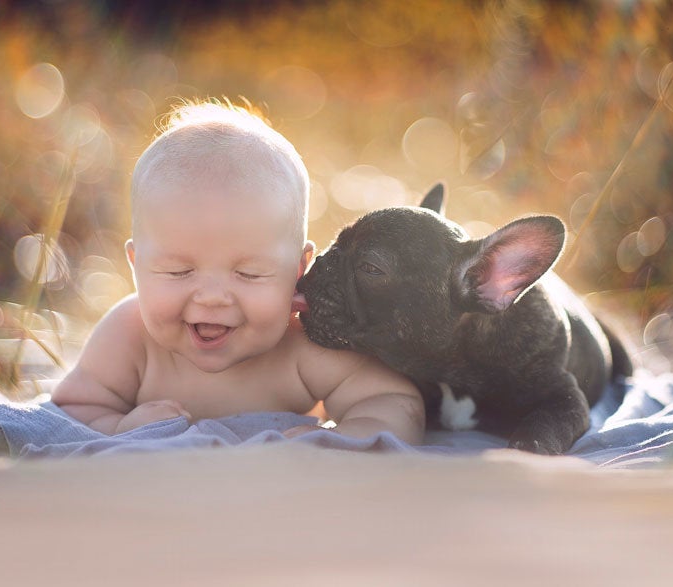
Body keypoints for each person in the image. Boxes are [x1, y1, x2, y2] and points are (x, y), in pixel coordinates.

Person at [51, 100, 424, 444]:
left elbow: (391, 400)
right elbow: (71, 411)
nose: (212, 296)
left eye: (248, 273)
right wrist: (118, 428)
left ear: (298, 270)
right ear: (137, 266)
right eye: (180, 271)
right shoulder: (129, 338)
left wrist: (344, 438)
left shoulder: (301, 344)